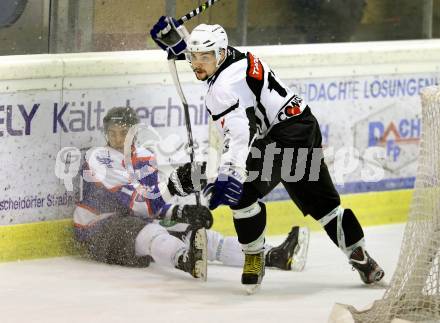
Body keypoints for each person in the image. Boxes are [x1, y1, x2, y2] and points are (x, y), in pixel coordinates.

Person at [150, 18, 384, 292]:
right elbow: (210, 61)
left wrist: (231, 173)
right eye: (193, 57)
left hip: (283, 137)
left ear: (220, 54)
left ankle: (253, 257)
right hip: (303, 125)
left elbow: (239, 133)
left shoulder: (221, 89)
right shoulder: (236, 57)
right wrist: (180, 43)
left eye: (204, 57)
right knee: (326, 207)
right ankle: (364, 261)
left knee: (243, 193)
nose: (197, 63)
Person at [73, 107, 310, 281]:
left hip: (134, 219)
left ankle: (274, 256)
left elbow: (152, 202)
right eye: (112, 133)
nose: (117, 139)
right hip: (97, 230)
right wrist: (180, 210)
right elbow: (140, 205)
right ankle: (186, 260)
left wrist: (183, 214)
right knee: (151, 230)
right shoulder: (100, 158)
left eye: (123, 133)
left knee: (202, 236)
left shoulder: (145, 157)